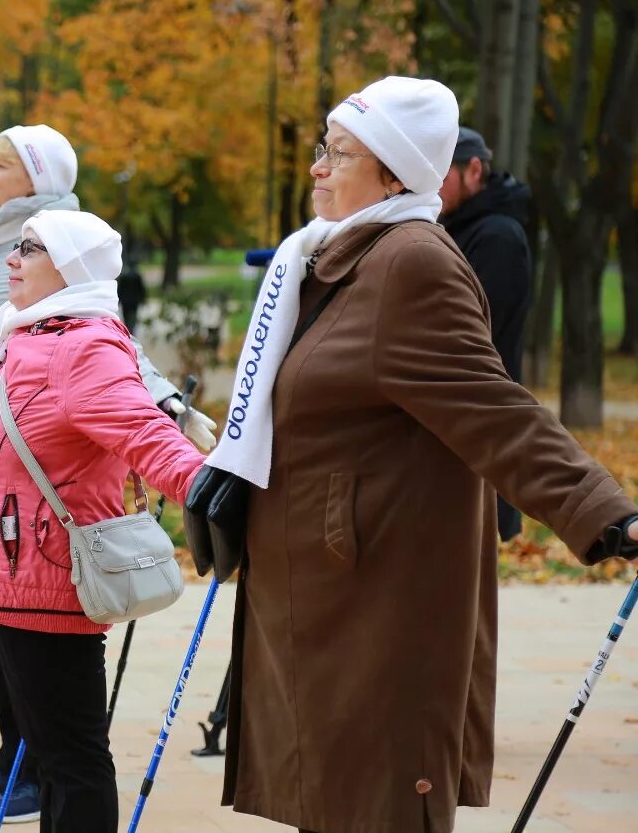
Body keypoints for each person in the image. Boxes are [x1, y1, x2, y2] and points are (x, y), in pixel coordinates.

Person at [186, 76, 638, 833]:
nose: (318, 168)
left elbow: (496, 409)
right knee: (332, 803)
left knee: (372, 804)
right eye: (321, 151)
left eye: (338, 153)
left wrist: (610, 516)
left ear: (395, 172)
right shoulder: (324, 258)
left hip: (376, 608)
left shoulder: (409, 263)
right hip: (321, 598)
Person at [0, 124, 215, 823]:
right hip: (16, 568)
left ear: (72, 267)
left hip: (46, 570)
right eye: (17, 248)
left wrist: (212, 490)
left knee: (73, 756)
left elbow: (142, 431)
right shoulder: (28, 332)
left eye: (30, 249)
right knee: (52, 754)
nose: (13, 262)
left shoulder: (80, 343)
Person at [440, 126, 533, 541]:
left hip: (480, 430)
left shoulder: (497, 236)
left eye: (441, 173)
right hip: (453, 431)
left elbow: (475, 344)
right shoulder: (457, 227)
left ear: (474, 170)